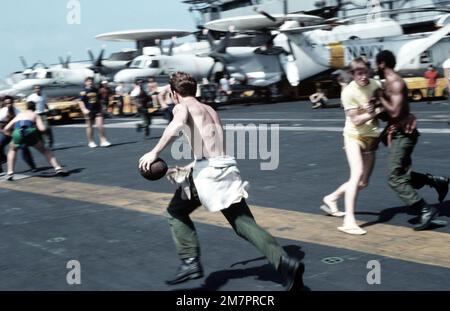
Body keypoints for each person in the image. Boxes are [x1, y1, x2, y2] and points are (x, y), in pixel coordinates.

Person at [139, 72, 304, 290]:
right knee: (242, 222)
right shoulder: (210, 110)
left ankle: (190, 261)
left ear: (173, 93)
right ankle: (285, 262)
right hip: (225, 167)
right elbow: (214, 148)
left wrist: (154, 152)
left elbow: (176, 125)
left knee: (175, 212)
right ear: (195, 90)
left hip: (209, 174)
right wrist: (189, 167)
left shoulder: (182, 107)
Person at [375, 50, 449, 231]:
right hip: (399, 132)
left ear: (382, 63)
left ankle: (425, 209)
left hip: (405, 135)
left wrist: (380, 98)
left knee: (394, 177)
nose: (375, 67)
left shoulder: (396, 83)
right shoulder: (387, 84)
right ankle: (436, 181)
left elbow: (395, 112)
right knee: (403, 175)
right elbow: (389, 114)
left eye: (377, 64)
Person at [321, 58, 385, 235]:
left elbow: (385, 99)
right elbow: (355, 120)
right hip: (353, 136)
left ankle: (332, 198)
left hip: (372, 137)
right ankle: (349, 220)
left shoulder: (375, 84)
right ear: (352, 74)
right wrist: (374, 112)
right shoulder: (348, 92)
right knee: (356, 175)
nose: (363, 76)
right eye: (359, 73)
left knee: (363, 182)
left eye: (365, 72)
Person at [2, 101, 68, 181]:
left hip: (17, 132)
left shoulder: (19, 115)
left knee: (12, 150)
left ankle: (10, 172)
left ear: (26, 107)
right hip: (29, 131)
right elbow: (42, 129)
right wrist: (38, 130)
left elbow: (6, 129)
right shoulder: (35, 115)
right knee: (44, 150)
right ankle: (58, 168)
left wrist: (12, 135)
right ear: (35, 108)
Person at [0, 96, 36, 175]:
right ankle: (2, 163)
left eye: (10, 103)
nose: (8, 105)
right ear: (4, 103)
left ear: (13, 103)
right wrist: (6, 132)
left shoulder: (17, 112)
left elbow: (22, 123)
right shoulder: (2, 112)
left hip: (16, 132)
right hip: (5, 132)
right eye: (6, 103)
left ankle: (32, 166)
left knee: (24, 148)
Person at [78, 77, 111, 148]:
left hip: (97, 110)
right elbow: (80, 102)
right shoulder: (83, 91)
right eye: (88, 81)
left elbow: (100, 100)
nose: (90, 83)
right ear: (85, 83)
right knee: (89, 126)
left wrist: (103, 108)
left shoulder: (96, 90)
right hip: (89, 111)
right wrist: (84, 110)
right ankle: (91, 141)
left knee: (100, 125)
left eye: (91, 81)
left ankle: (103, 141)